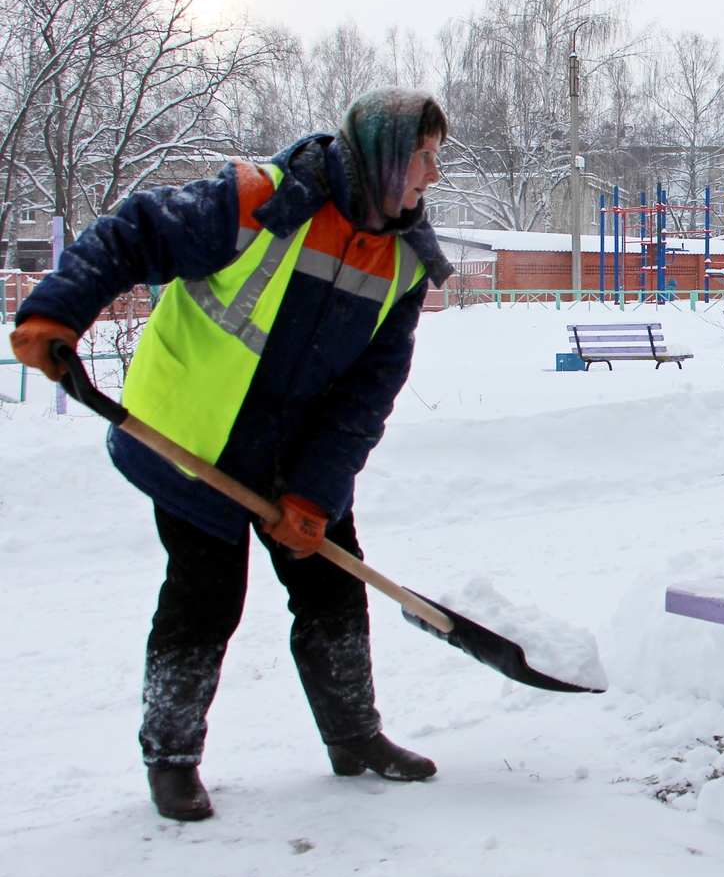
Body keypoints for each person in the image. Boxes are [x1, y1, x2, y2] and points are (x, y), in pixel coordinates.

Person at [9, 88, 455, 822]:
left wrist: (314, 496)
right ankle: (172, 757)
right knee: (206, 597)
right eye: (424, 157)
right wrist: (59, 309)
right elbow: (134, 233)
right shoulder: (259, 201)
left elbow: (365, 396)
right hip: (196, 444)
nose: (430, 177)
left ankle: (355, 736)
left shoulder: (405, 263)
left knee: (332, 591)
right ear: (382, 156)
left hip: (296, 457)